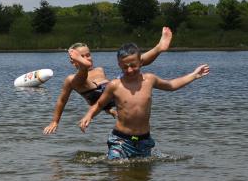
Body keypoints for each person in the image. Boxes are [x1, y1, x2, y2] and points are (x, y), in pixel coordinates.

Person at [78, 42, 209, 160]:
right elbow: (100, 104)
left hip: (144, 140)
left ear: (141, 62)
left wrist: (194, 75)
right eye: (125, 67)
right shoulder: (115, 85)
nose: (129, 70)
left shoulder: (149, 80)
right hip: (120, 140)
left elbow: (171, 85)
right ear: (119, 65)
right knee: (116, 170)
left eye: (133, 65)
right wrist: (89, 115)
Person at [42, 27, 173, 135]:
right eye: (83, 56)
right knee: (73, 79)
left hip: (113, 92)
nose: (88, 57)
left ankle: (159, 48)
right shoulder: (71, 80)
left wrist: (109, 108)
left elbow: (107, 94)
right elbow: (62, 101)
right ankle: (83, 67)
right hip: (93, 92)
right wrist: (55, 121)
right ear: (73, 61)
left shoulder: (99, 70)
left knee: (132, 64)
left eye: (88, 55)